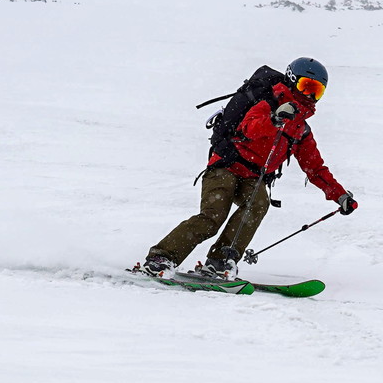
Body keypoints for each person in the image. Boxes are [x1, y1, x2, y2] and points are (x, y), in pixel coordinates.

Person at [139, 57, 358, 277]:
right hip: (226, 165)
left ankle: (220, 261)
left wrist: (340, 197)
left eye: (317, 91)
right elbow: (247, 128)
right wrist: (274, 119)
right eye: (305, 87)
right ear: (292, 81)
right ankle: (162, 257)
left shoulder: (300, 130)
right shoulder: (267, 104)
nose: (310, 96)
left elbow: (315, 168)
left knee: (257, 205)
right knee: (213, 216)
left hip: (253, 177)